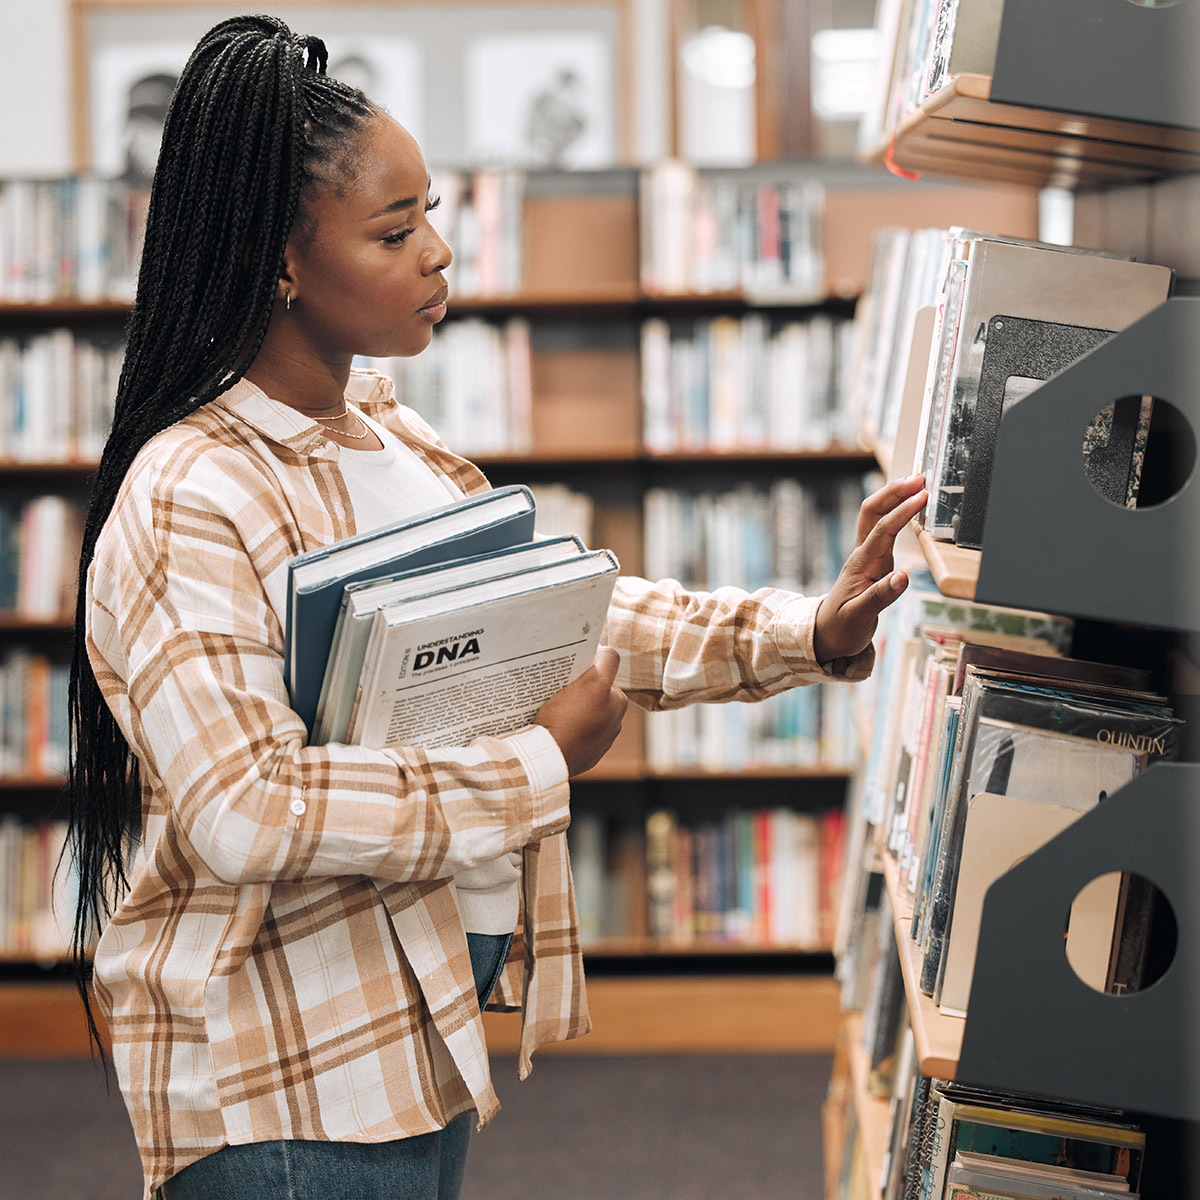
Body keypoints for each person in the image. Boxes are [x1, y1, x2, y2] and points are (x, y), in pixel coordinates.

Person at [66, 15, 927, 1200]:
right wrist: (538, 767)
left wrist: (805, 632)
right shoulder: (193, 494)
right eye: (394, 227)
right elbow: (246, 807)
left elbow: (565, 615)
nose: (438, 252)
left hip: (416, 1022)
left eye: (433, 215)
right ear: (281, 260)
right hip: (277, 1066)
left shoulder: (387, 434)